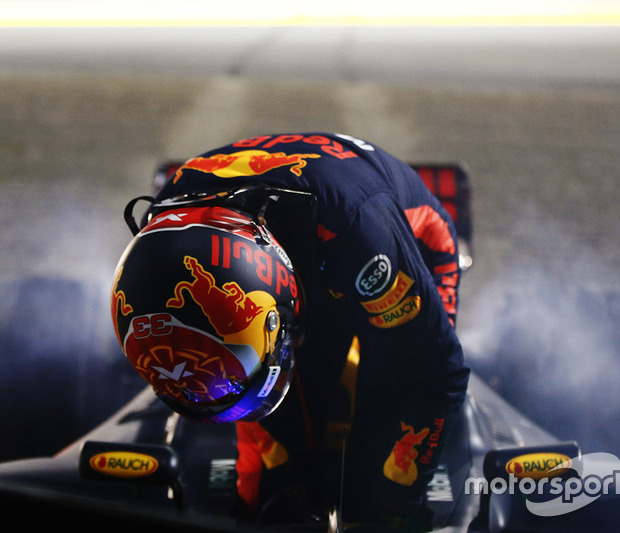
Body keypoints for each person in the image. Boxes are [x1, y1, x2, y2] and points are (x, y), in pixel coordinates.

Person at [111, 132, 469, 530]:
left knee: (386, 438)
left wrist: (397, 505)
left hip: (390, 242)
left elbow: (437, 372)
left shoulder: (358, 225)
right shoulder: (164, 222)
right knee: (277, 473)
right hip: (301, 248)